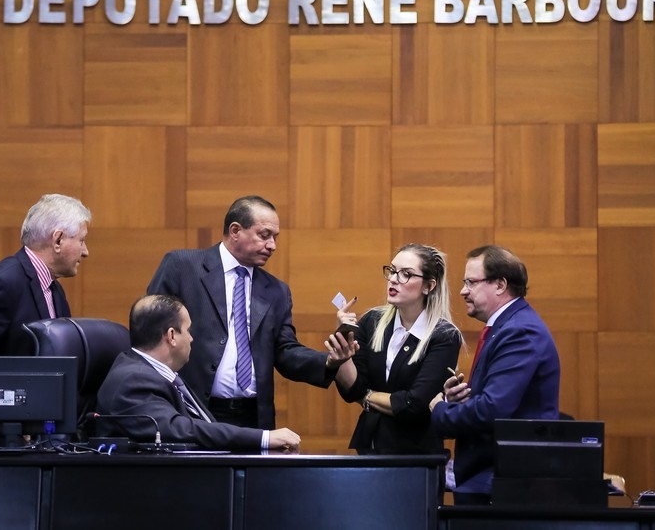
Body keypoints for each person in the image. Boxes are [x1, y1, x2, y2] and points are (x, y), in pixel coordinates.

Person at [146, 195, 357, 429]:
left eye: (275, 238)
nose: (272, 245)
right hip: (190, 411)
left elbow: (285, 351)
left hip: (253, 418)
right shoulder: (182, 266)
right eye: (264, 235)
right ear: (235, 230)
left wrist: (327, 361)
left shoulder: (277, 291)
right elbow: (151, 333)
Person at [429, 245, 560, 504]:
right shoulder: (507, 326)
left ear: (500, 284)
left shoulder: (519, 331)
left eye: (471, 282)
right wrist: (461, 402)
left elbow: (493, 409)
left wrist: (441, 410)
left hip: (504, 485)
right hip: (492, 480)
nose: (463, 291)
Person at [96, 294, 301, 450]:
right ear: (171, 336)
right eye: (188, 330)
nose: (192, 339)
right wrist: (263, 438)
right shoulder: (133, 380)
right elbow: (179, 429)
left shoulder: (160, 375)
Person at [332, 244, 463, 455]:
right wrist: (343, 345)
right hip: (371, 446)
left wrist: (366, 397)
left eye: (406, 274)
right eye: (392, 271)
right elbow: (352, 390)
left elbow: (415, 404)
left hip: (417, 452)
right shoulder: (371, 322)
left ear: (428, 286)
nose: (393, 279)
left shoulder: (444, 336)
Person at [0, 194, 91, 371]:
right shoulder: (4, 282)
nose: (85, 252)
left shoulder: (56, 291)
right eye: (81, 241)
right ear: (58, 240)